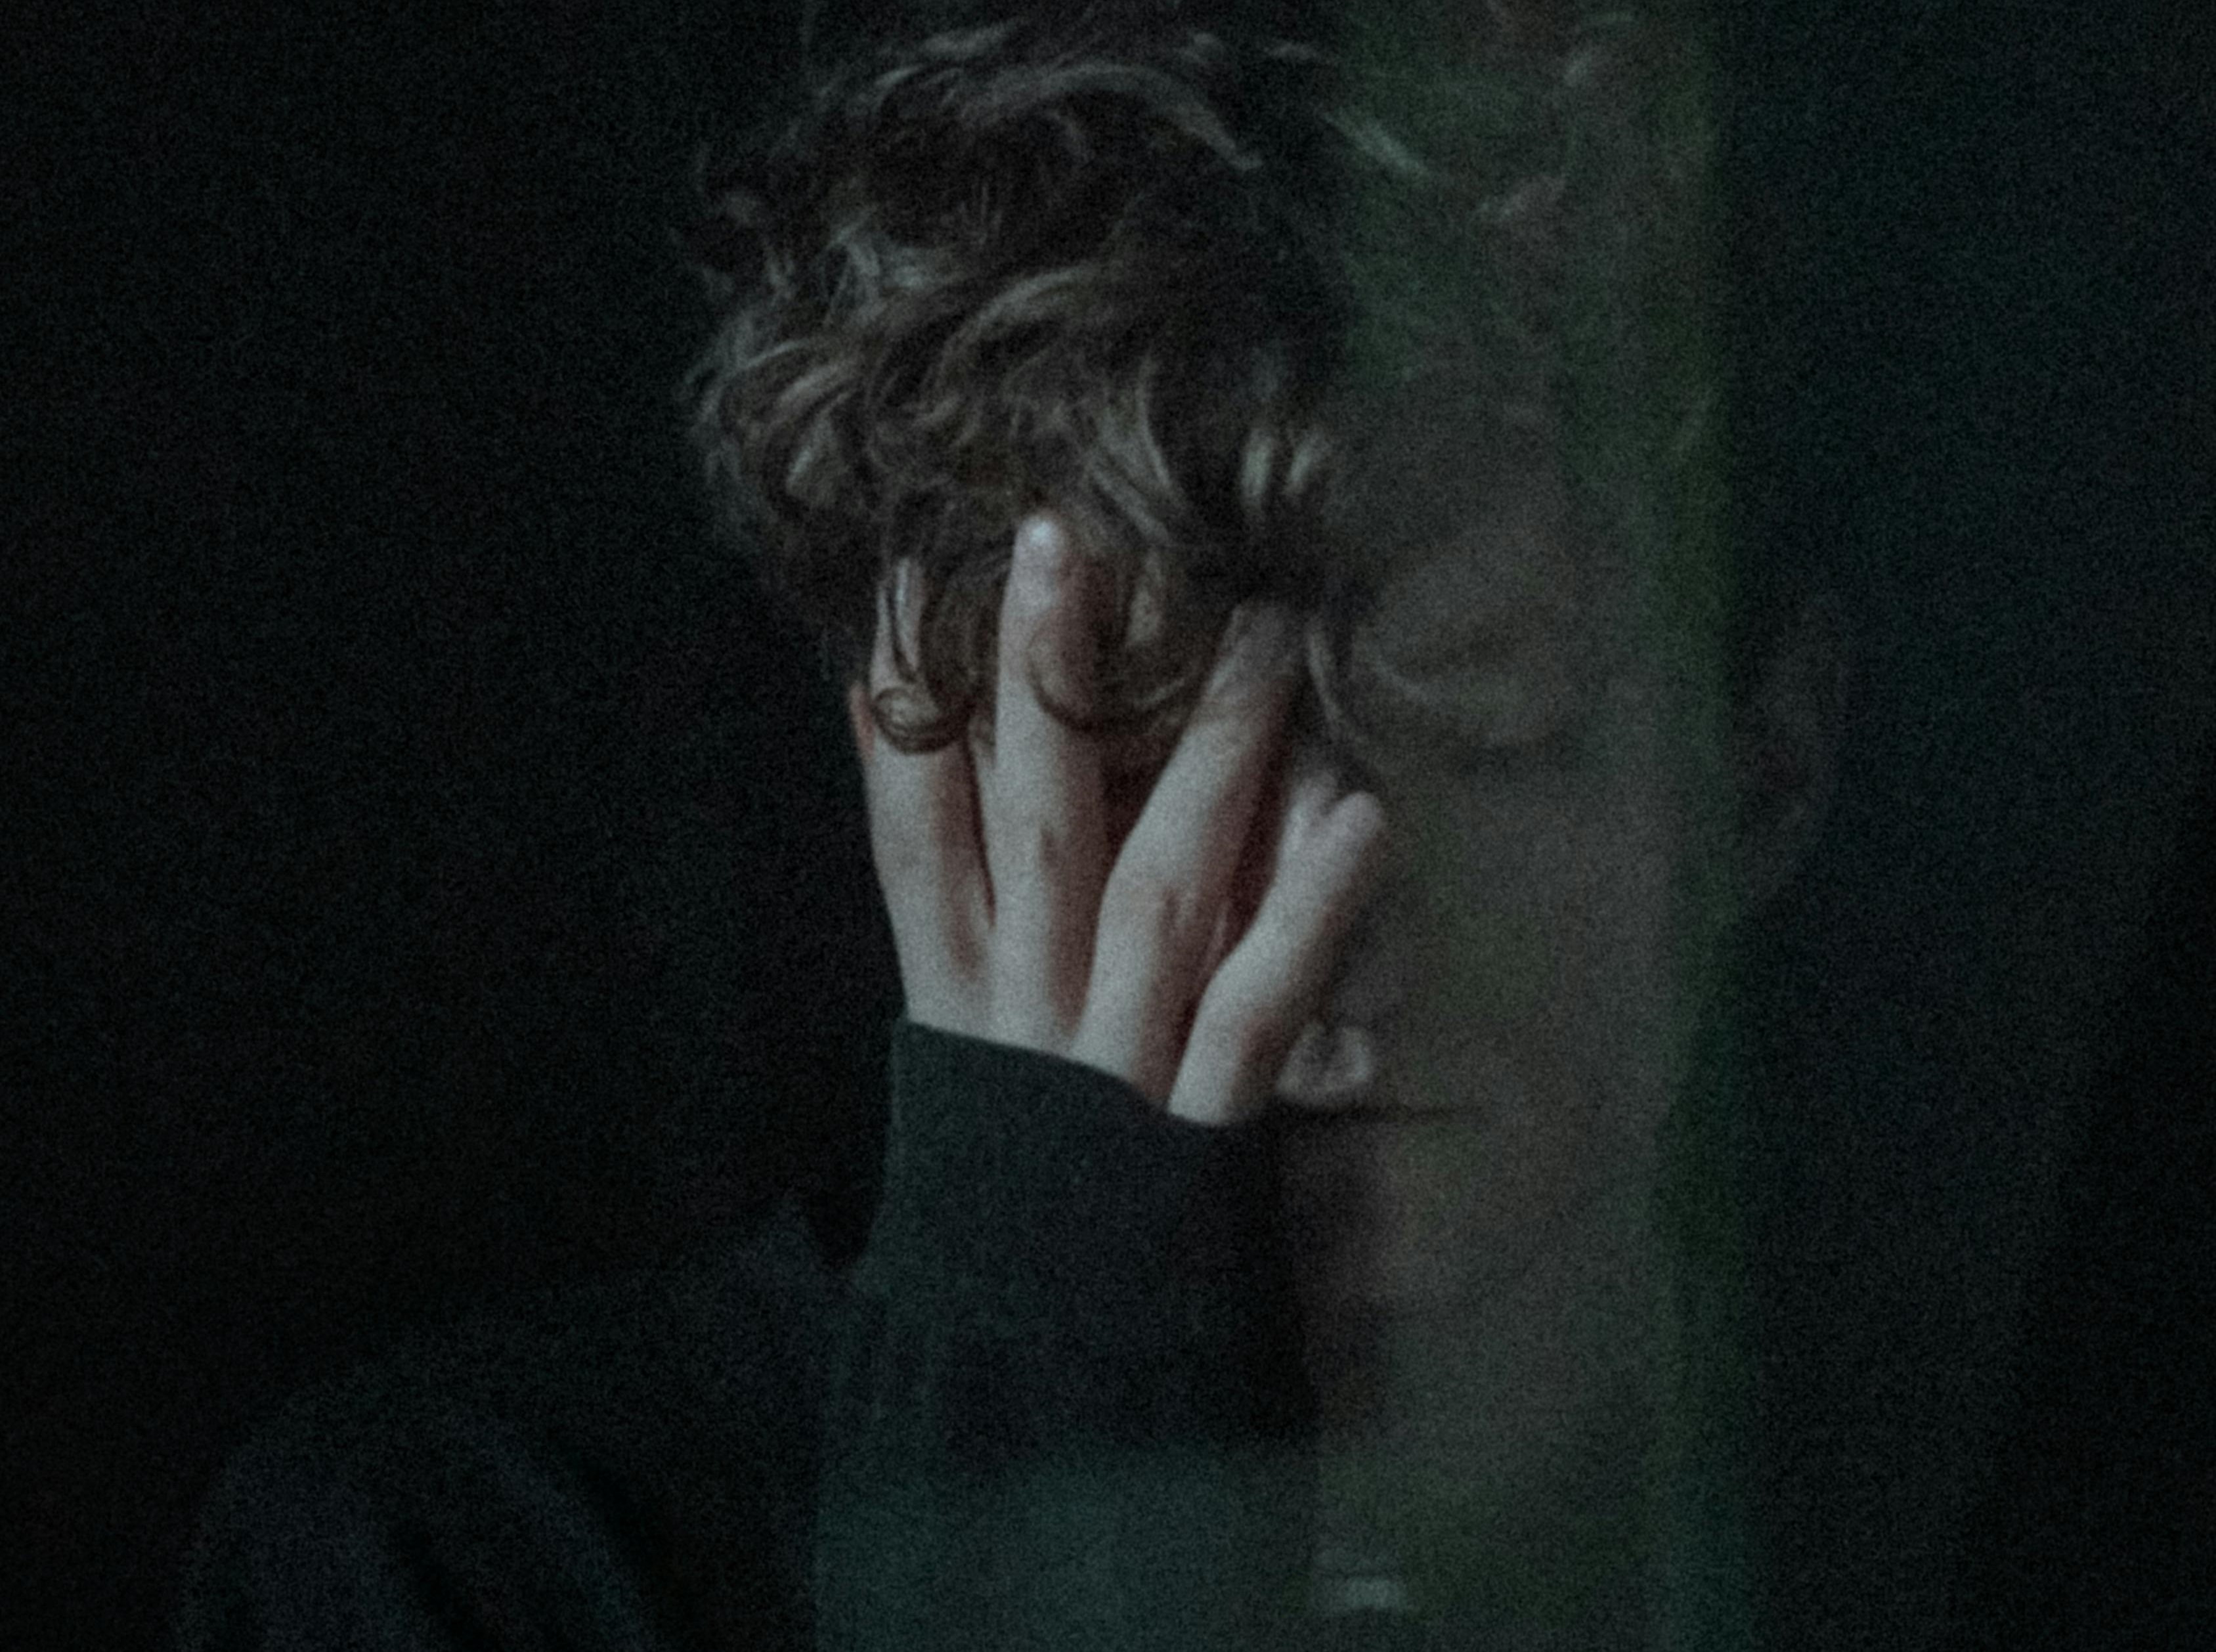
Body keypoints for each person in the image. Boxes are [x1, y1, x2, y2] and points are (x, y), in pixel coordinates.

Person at [169, 4, 1846, 1649]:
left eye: (1493, 733)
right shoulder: (465, 1561)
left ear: (1763, 765)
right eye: (1146, 763)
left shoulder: (1941, 1522)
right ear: (926, 768)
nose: (1318, 934)